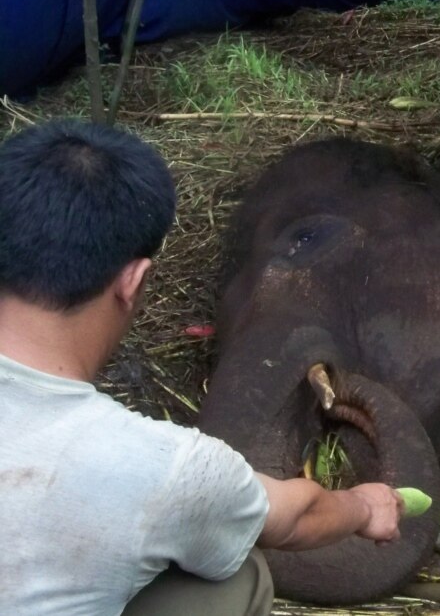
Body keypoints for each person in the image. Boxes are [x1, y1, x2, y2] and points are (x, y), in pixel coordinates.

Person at [0, 119, 405, 616]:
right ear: (134, 282)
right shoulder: (160, 469)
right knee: (237, 580)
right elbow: (296, 517)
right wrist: (367, 506)